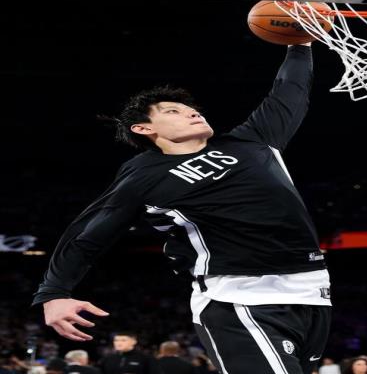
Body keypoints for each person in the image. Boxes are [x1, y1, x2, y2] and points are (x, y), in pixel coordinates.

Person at [32, 43, 332, 374]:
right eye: (173, 111)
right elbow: (89, 234)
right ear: (144, 128)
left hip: (312, 291)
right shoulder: (143, 175)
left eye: (191, 109)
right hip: (237, 297)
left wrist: (300, 45)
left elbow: (290, 90)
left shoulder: (253, 140)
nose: (192, 112)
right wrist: (54, 293)